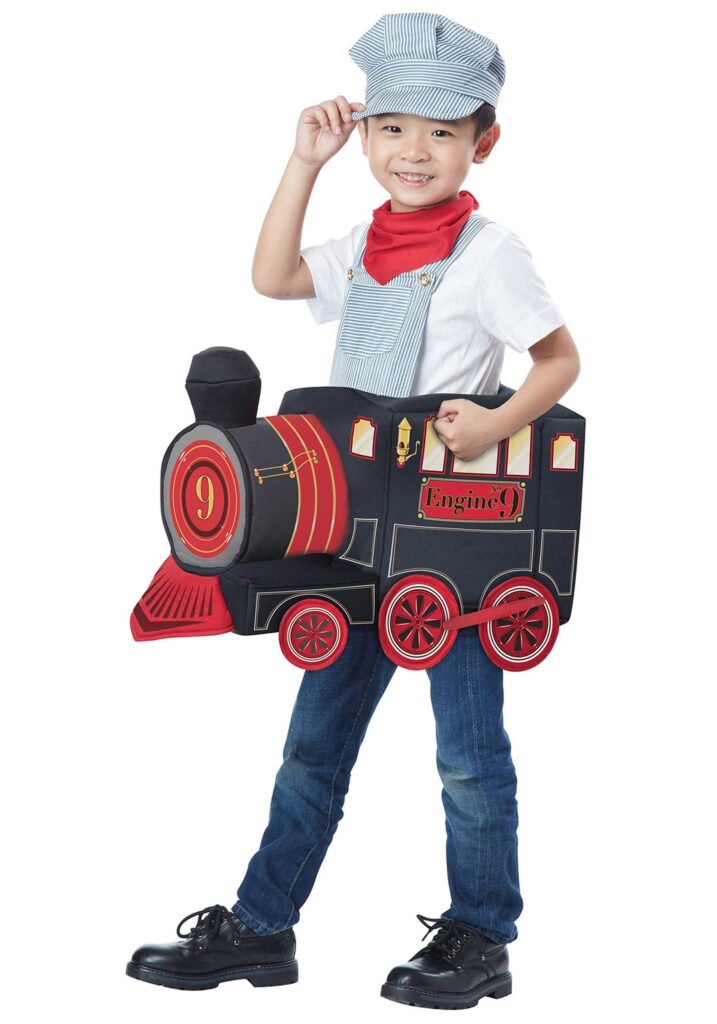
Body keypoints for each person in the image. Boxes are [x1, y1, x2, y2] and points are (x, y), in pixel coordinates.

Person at [126, 12, 581, 1010]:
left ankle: (481, 935)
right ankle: (263, 926)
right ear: (366, 132)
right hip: (353, 530)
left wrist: (495, 420)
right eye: (392, 127)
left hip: (455, 541)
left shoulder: (492, 254)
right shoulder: (363, 245)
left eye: (441, 132)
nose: (413, 150)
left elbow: (560, 361)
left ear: (482, 143)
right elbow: (272, 276)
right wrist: (305, 162)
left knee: (467, 756)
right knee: (312, 747)